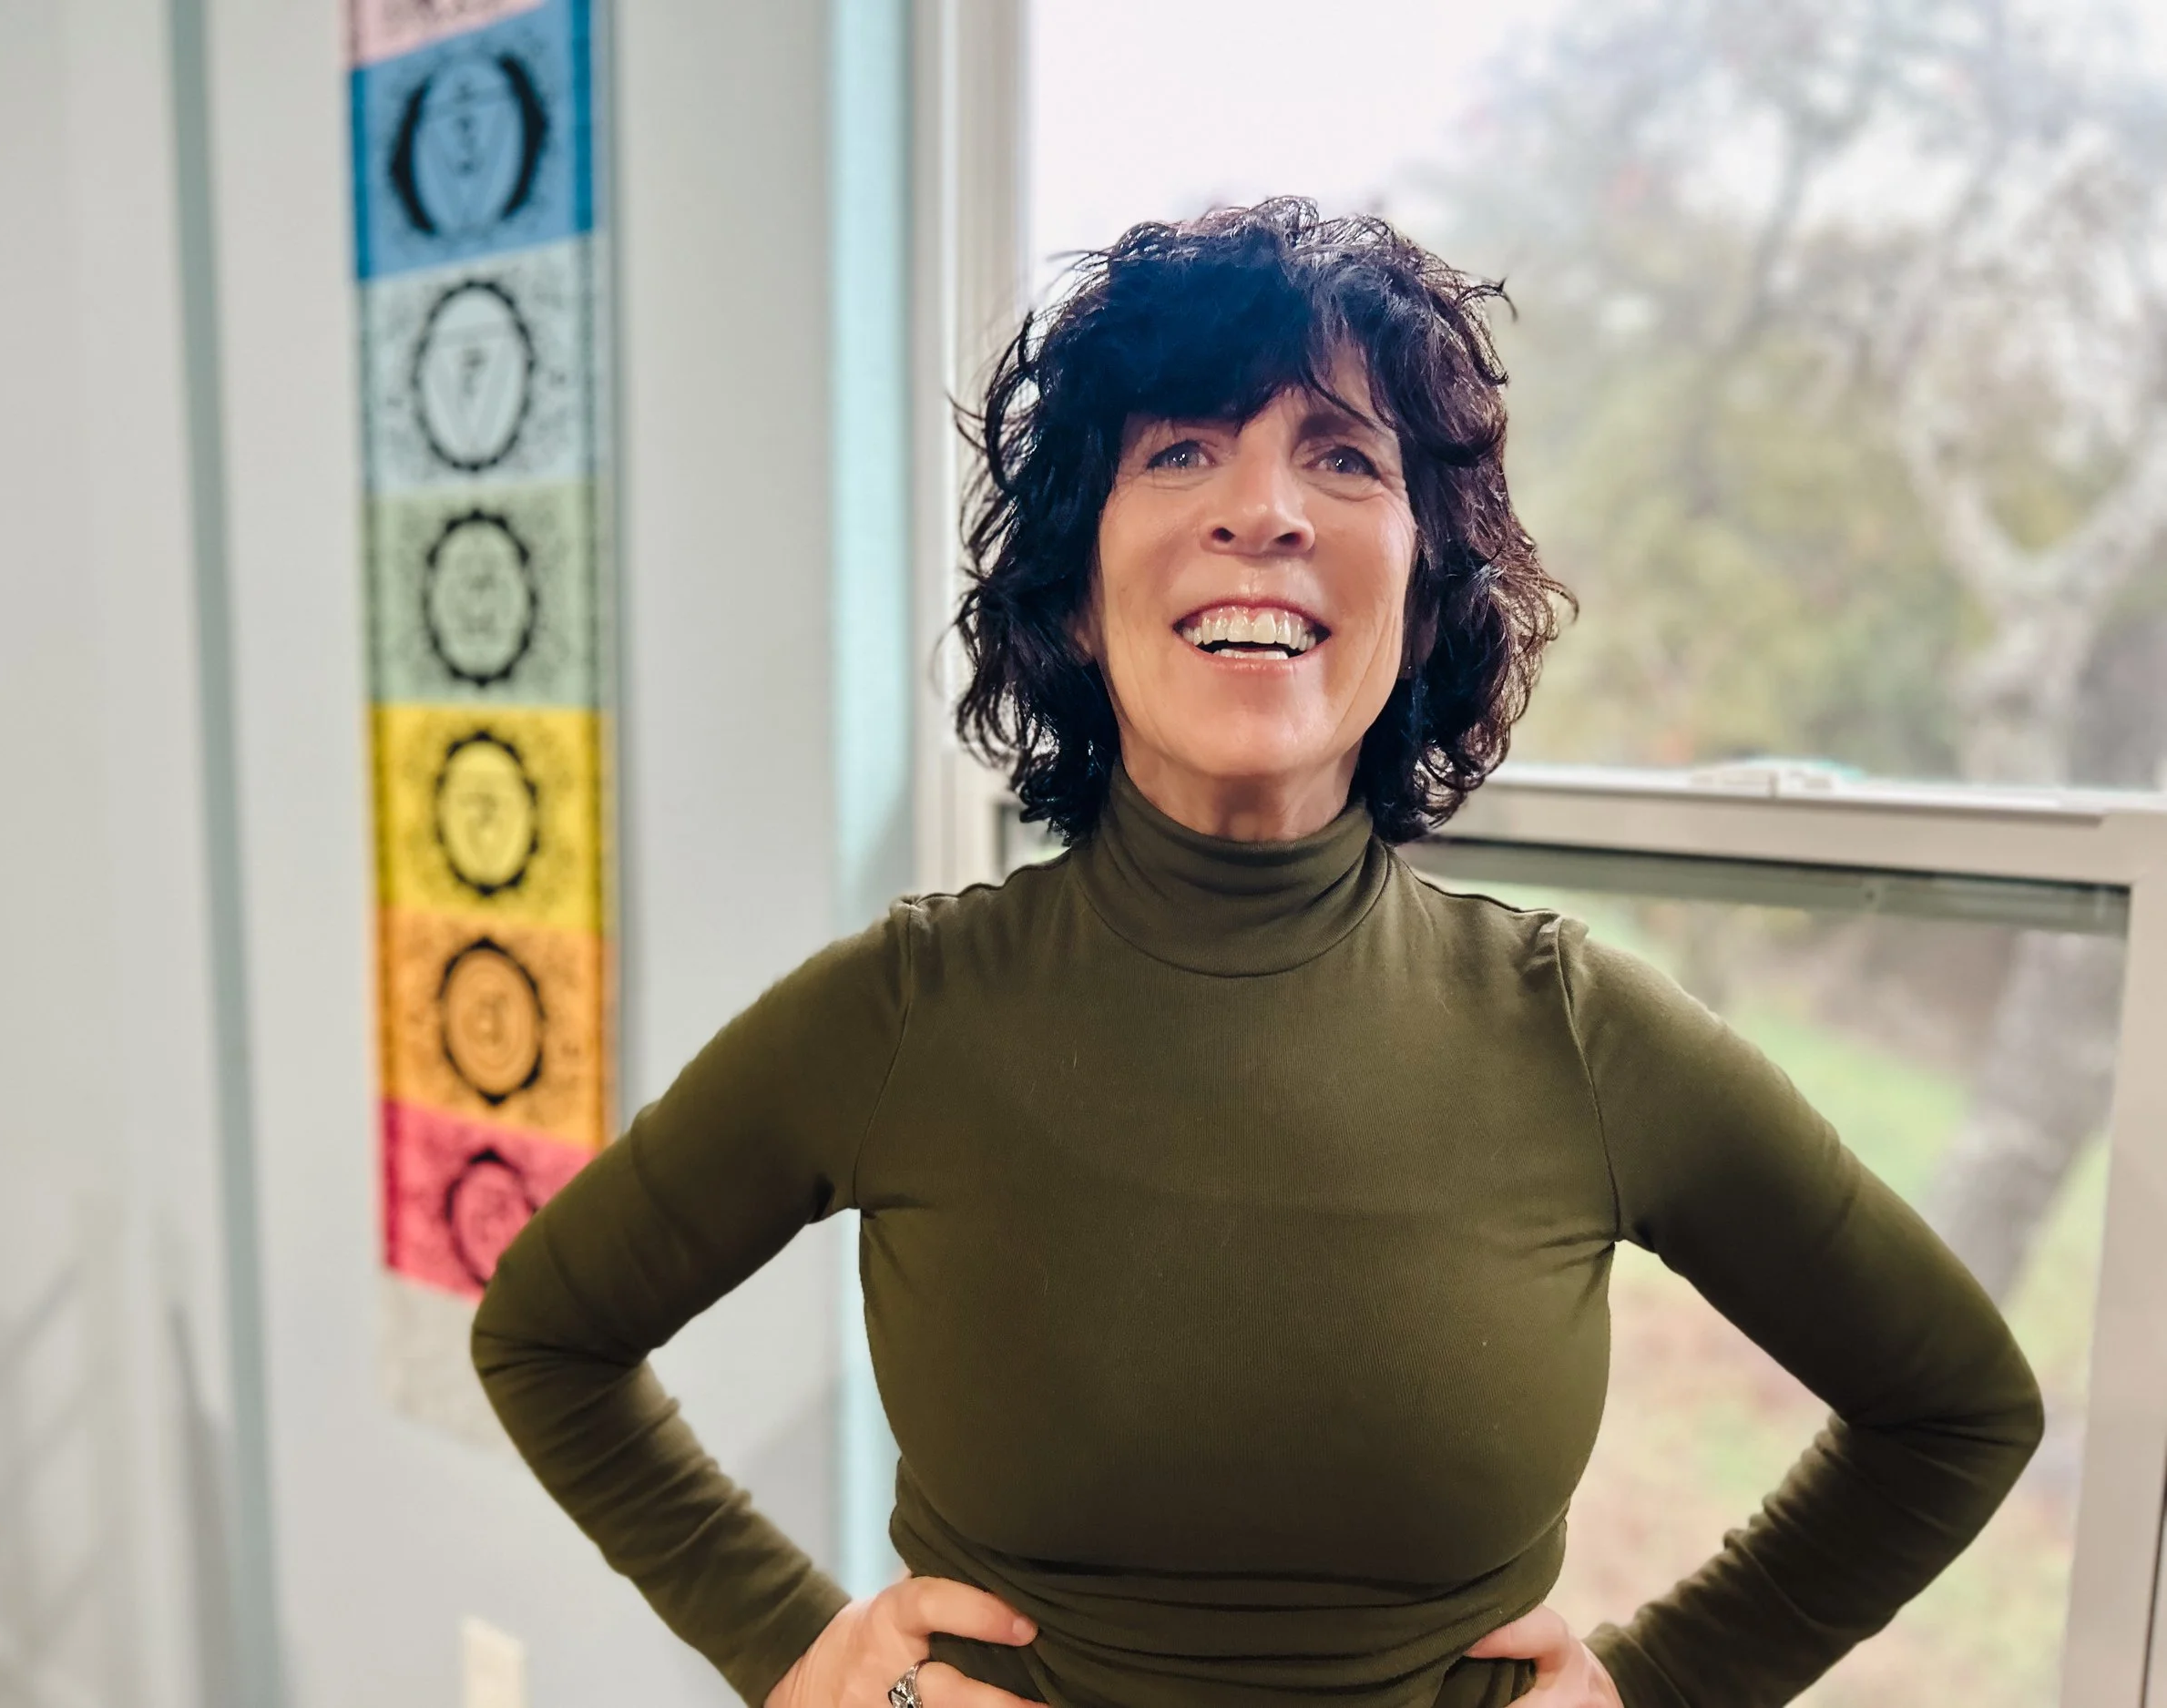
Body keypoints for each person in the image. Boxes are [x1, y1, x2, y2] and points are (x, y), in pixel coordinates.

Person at [471, 199, 2045, 1708]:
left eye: (1343, 457)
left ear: (1426, 602)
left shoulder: (1576, 1034)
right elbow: (548, 1333)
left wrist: (1679, 1680)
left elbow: (1956, 1410)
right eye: (1181, 451)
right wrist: (796, 1650)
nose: (1264, 508)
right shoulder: (903, 1013)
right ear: (1077, 597)